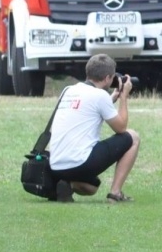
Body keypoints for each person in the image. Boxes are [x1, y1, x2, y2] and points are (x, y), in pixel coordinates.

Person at [47, 53, 141, 203]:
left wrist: (112, 98)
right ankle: (115, 194)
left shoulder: (68, 90)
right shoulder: (99, 95)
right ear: (107, 78)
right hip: (80, 163)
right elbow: (121, 128)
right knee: (133, 137)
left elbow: (89, 110)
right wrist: (123, 97)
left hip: (56, 165)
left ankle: (67, 185)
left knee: (92, 187)